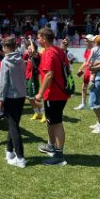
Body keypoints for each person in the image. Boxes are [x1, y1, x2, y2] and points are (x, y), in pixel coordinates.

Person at [35, 27, 70, 166]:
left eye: (38, 37)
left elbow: (49, 74)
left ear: (44, 38)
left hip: (54, 94)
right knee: (51, 121)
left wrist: (40, 93)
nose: (38, 40)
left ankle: (59, 154)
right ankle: (51, 146)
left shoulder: (48, 53)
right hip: (60, 92)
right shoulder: (59, 51)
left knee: (56, 123)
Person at [0, 37, 28, 168]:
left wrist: (1, 99)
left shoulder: (5, 61)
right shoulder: (21, 59)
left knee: (14, 126)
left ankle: (20, 157)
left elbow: (3, 83)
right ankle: (9, 151)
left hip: (11, 97)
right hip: (21, 95)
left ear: (6, 48)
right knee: (14, 123)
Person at [75, 34, 94, 110]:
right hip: (87, 70)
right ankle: (83, 103)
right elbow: (86, 61)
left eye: (86, 40)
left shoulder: (94, 49)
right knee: (84, 87)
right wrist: (80, 68)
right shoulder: (87, 49)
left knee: (94, 88)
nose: (85, 41)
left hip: (93, 71)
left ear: (91, 41)